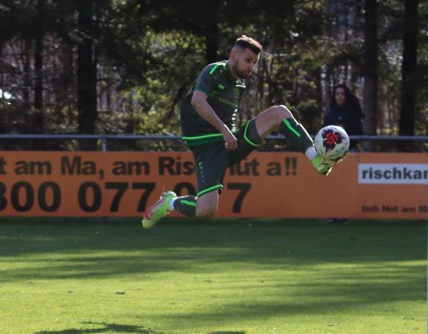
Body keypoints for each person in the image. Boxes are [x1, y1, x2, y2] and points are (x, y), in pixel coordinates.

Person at [142, 35, 341, 228]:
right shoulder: (214, 71)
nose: (251, 67)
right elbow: (197, 102)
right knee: (206, 210)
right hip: (208, 147)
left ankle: (316, 157)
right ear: (233, 55)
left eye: (254, 62)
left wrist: (231, 134)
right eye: (248, 60)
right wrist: (225, 131)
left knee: (279, 113)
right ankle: (169, 202)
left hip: (231, 142)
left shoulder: (240, 82)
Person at [322, 84, 364, 150]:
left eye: (342, 94)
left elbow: (358, 132)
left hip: (349, 149)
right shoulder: (330, 114)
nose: (340, 96)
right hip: (331, 150)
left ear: (346, 96)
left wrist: (343, 141)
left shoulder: (352, 113)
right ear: (334, 96)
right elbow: (324, 131)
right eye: (337, 94)